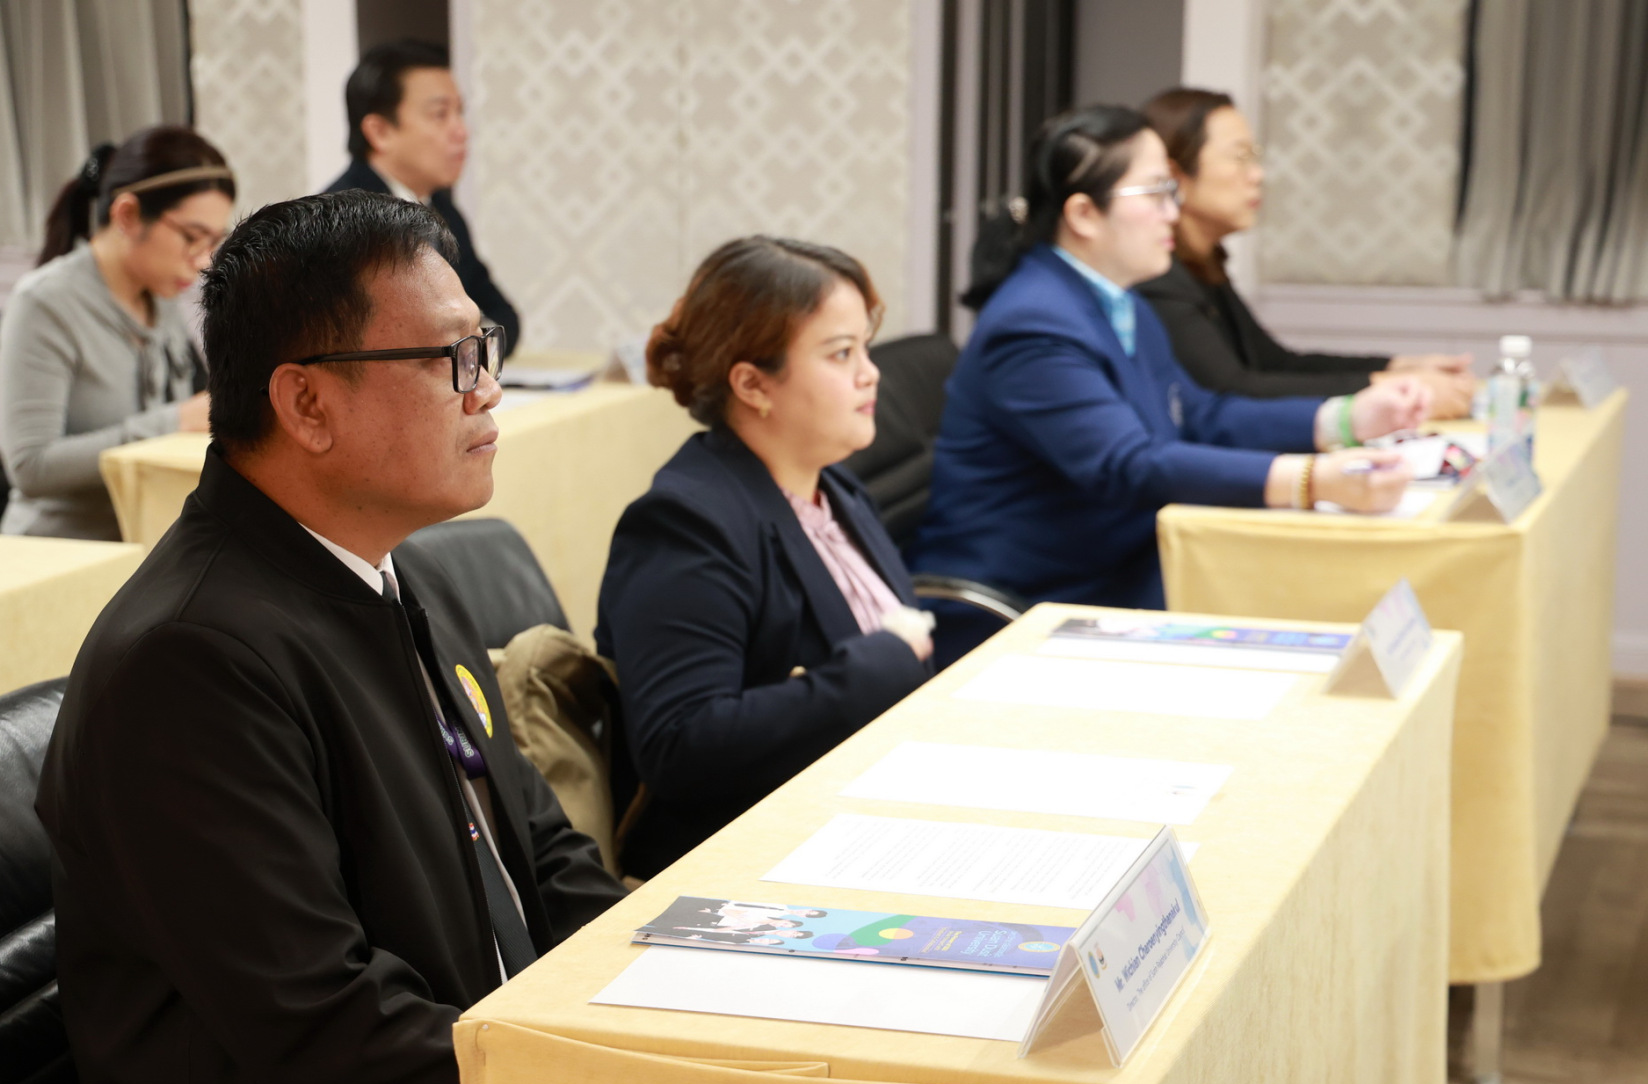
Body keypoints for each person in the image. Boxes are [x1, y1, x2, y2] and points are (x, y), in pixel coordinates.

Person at [35, 191, 624, 1084]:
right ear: (307, 404)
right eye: (451, 360)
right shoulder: (191, 660)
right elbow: (327, 1031)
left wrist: (659, 995)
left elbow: (540, 852)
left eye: (482, 349)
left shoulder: (390, 568)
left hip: (475, 1072)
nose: (487, 390)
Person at [911, 106, 1427, 656]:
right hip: (1037, 603)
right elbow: (1129, 465)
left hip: (1122, 567)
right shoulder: (1033, 326)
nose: (1173, 213)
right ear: (1084, 214)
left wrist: (1347, 417)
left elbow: (1200, 415)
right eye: (1156, 193)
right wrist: (1312, 480)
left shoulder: (1119, 301)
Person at [597, 237, 934, 880]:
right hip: (758, 860)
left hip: (865, 815)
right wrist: (882, 663)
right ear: (753, 384)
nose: (870, 373)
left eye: (865, 348)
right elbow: (682, 745)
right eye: (841, 353)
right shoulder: (686, 522)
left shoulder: (834, 487)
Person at [1138, 88, 1475, 416]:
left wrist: (1399, 367)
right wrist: (1390, 387)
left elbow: (1275, 363)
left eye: (1254, 157)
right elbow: (1234, 388)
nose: (1257, 174)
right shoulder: (1157, 274)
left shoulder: (1204, 263)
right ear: (1174, 175)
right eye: (1240, 157)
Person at [0, 127, 230, 539]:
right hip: (66, 547)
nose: (202, 261)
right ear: (127, 215)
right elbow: (30, 468)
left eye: (214, 241)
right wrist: (174, 421)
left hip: (151, 536)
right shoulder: (44, 303)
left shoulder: (159, 293)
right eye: (192, 238)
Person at [324, 39, 520, 350]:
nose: (461, 131)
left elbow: (504, 318)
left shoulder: (443, 209)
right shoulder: (340, 221)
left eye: (459, 112)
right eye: (440, 114)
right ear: (379, 131)